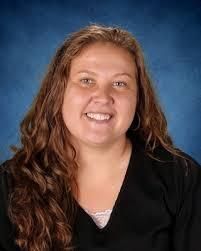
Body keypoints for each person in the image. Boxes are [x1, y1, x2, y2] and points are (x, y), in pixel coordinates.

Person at [0, 24, 200, 251]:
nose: (103, 97)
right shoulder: (11, 184)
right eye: (86, 80)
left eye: (119, 83)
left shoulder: (180, 177)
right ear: (59, 92)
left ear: (138, 98)